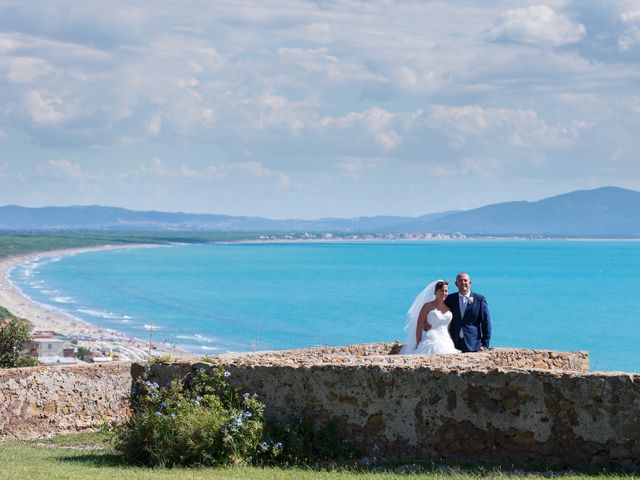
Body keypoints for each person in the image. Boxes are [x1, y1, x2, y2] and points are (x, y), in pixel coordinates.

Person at [400, 279, 460, 354]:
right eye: (441, 290)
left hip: (446, 341)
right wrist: (419, 344)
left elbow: (448, 328)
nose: (444, 293)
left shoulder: (449, 308)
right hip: (430, 340)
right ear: (435, 292)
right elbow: (419, 326)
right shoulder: (427, 306)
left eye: (446, 291)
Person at [444, 272, 491, 352]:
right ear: (456, 284)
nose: (463, 283)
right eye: (460, 281)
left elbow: (486, 322)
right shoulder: (450, 299)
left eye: (465, 280)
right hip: (453, 343)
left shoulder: (479, 300)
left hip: (473, 344)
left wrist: (484, 344)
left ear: (470, 283)